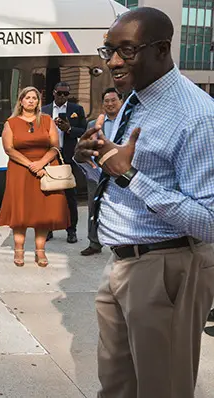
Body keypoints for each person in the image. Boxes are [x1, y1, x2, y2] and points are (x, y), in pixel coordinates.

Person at [75, 7, 214, 398]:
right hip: (121, 263)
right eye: (109, 51)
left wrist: (131, 175)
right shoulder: (134, 100)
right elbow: (116, 173)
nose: (114, 61)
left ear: (162, 49)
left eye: (127, 50)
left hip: (165, 268)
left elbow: (209, 221)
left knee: (163, 390)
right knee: (117, 387)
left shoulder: (197, 117)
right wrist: (90, 158)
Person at [0, 86, 69, 267]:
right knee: (20, 212)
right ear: (21, 101)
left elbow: (55, 146)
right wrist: (31, 164)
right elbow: (9, 149)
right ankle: (19, 250)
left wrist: (41, 163)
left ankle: (40, 251)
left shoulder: (46, 120)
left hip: (45, 169)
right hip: (20, 170)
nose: (31, 101)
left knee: (42, 212)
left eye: (35, 98)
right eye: (28, 98)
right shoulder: (11, 123)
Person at [41, 82, 87, 244]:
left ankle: (71, 230)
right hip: (49, 158)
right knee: (48, 193)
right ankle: (49, 228)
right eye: (59, 93)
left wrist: (69, 129)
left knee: (70, 196)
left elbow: (84, 130)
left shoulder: (76, 110)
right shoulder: (44, 110)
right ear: (53, 92)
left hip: (68, 157)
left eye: (66, 94)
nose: (62, 97)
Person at [81, 88, 122, 256]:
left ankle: (119, 243)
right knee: (94, 207)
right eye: (107, 101)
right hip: (98, 174)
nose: (110, 104)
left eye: (113, 100)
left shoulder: (128, 122)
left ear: (121, 101)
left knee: (119, 208)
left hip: (120, 173)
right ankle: (94, 242)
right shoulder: (94, 125)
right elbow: (85, 147)